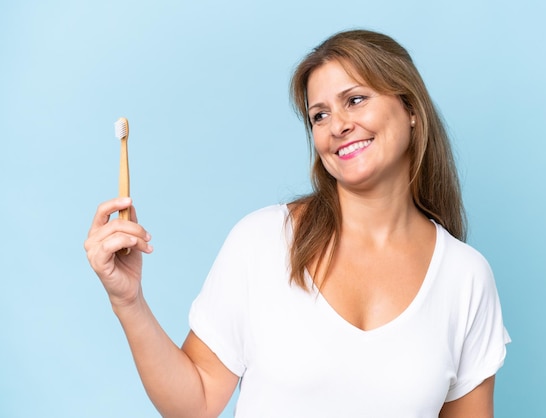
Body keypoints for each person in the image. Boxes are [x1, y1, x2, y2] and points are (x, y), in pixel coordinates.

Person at [85, 29, 510, 418]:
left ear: (411, 109)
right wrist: (129, 301)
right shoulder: (263, 241)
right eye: (319, 116)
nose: (338, 126)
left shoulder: (466, 277)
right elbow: (194, 402)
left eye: (355, 99)